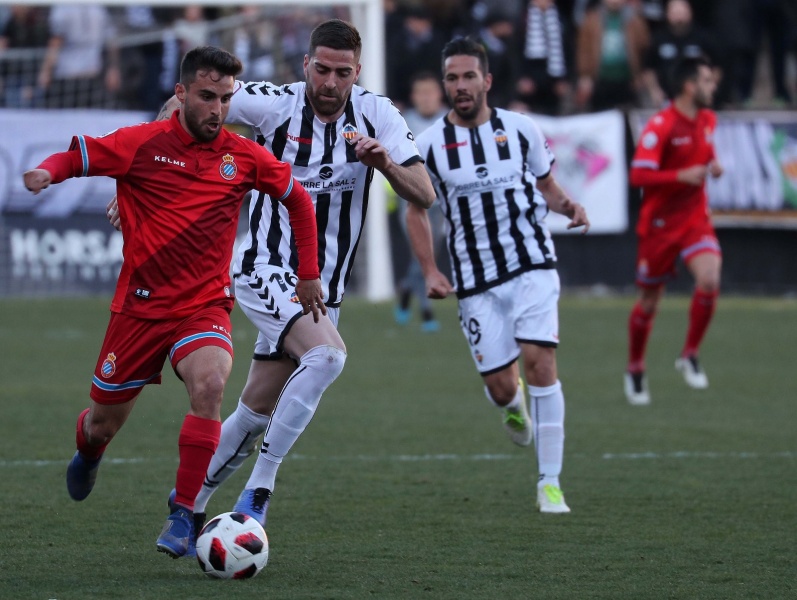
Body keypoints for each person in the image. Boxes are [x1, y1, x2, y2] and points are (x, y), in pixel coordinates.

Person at [111, 19, 435, 553]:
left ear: (358, 72)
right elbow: (182, 106)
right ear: (306, 64)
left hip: (321, 289)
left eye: (343, 73)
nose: (330, 82)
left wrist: (385, 164)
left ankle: (185, 509)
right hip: (264, 267)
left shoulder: (378, 114)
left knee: (254, 411)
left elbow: (424, 192)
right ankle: (259, 491)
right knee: (328, 358)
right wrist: (144, 177)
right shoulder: (272, 104)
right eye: (322, 69)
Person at [24, 45, 323, 559]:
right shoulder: (142, 144)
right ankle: (89, 449)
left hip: (203, 305)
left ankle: (184, 513)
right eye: (207, 96)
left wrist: (309, 274)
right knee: (102, 424)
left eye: (225, 99)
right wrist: (48, 173)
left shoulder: (242, 156)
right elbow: (77, 155)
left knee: (211, 384)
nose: (217, 109)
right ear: (181, 94)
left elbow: (297, 199)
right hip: (139, 310)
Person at [406, 37, 590, 514]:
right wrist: (430, 270)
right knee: (502, 387)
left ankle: (550, 483)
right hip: (475, 281)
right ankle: (512, 406)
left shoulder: (521, 128)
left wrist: (568, 205)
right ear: (444, 85)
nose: (460, 86)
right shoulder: (428, 146)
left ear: (486, 80)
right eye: (452, 78)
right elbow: (417, 211)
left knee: (540, 363)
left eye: (469, 76)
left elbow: (546, 184)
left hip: (532, 264)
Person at [624, 56, 723, 406]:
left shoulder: (708, 119)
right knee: (650, 302)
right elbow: (638, 175)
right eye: (707, 81)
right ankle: (635, 367)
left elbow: (705, 153)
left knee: (709, 279)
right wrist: (680, 176)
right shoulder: (661, 125)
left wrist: (713, 165)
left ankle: (690, 353)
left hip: (695, 218)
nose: (713, 86)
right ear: (689, 86)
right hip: (660, 225)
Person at [393, 71, 448, 332]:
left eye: (430, 92)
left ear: (439, 94)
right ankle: (427, 312)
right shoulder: (402, 122)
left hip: (440, 202)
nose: (426, 98)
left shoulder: (450, 121)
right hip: (411, 200)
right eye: (421, 93)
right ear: (414, 97)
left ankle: (406, 289)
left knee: (428, 255)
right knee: (421, 254)